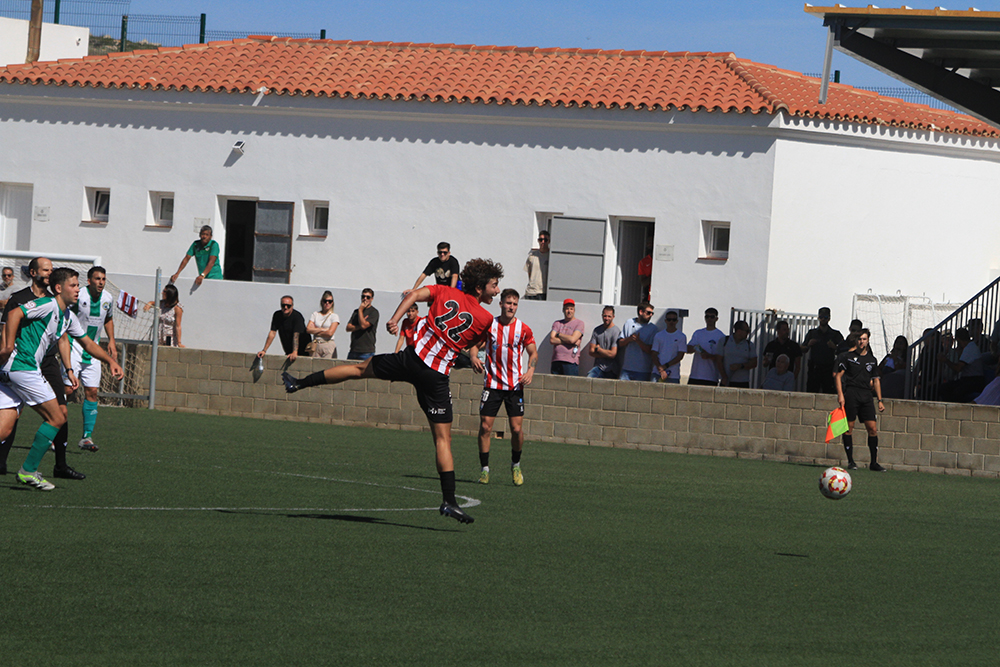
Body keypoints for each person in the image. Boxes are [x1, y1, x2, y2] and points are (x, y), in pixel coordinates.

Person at [281, 258, 505, 525]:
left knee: (358, 370)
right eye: (494, 285)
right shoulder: (486, 318)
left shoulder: (445, 291)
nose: (497, 291)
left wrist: (395, 319)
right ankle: (449, 501)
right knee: (443, 440)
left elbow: (414, 295)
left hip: (410, 359)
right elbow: (470, 344)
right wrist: (468, 355)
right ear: (479, 288)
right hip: (434, 376)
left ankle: (299, 383)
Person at [0, 267, 123, 490]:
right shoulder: (48, 304)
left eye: (78, 285)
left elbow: (88, 343)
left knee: (4, 429)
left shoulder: (68, 316)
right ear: (58, 288)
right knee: (57, 417)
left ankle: (30, 470)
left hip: (13, 370)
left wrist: (110, 361)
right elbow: (14, 313)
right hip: (22, 367)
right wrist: (8, 346)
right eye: (73, 285)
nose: (77, 290)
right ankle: (28, 471)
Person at [0, 258, 84, 479]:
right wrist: (6, 349)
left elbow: (63, 337)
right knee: (17, 417)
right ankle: (15, 466)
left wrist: (69, 368)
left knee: (61, 412)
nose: (49, 273)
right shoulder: (20, 299)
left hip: (46, 362)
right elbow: (7, 324)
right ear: (33, 272)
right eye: (45, 270)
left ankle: (60, 465)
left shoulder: (56, 301)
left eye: (51, 270)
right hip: (22, 362)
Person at [469, 288, 537, 486]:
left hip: (515, 386)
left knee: (516, 429)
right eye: (508, 303)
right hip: (492, 384)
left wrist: (530, 371)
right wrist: (473, 357)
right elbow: (474, 345)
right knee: (485, 426)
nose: (511, 307)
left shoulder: (523, 329)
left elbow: (533, 353)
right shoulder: (490, 325)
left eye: (514, 304)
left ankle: (516, 465)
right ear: (501, 304)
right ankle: (484, 470)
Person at [62, 266, 117, 451]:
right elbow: (65, 316)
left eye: (103, 279)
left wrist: (111, 340)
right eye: (97, 278)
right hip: (74, 347)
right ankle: (56, 433)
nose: (101, 282)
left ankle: (86, 437)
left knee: (92, 392)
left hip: (93, 350)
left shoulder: (108, 298)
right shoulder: (79, 296)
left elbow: (108, 319)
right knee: (67, 390)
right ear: (89, 280)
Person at [834, 328, 885, 471]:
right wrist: (840, 395)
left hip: (866, 396)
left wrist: (880, 400)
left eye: (864, 339)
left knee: (872, 429)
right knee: (849, 428)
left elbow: (876, 380)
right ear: (856, 341)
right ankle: (851, 461)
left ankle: (873, 462)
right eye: (860, 339)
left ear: (868, 340)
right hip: (852, 394)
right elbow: (838, 376)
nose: (862, 342)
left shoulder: (872, 360)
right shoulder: (848, 357)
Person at [802, 307, 843, 394]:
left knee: (828, 393)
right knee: (811, 392)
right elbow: (802, 349)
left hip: (828, 369)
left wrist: (835, 347)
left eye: (825, 317)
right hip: (814, 368)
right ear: (818, 318)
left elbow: (844, 351)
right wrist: (808, 345)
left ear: (829, 318)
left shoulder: (835, 334)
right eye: (821, 317)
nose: (823, 319)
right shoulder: (812, 333)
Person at [258, 296, 310, 362]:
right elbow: (272, 332)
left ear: (292, 306)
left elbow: (296, 335)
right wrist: (264, 350)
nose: (285, 307)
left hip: (303, 350)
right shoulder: (277, 315)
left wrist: (294, 352)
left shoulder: (297, 317)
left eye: (288, 306)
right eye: (283, 305)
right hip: (288, 350)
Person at [941, 327, 986, 403]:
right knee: (945, 387)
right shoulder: (969, 347)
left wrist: (946, 360)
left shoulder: (970, 348)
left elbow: (958, 368)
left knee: (955, 391)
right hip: (968, 379)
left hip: (974, 381)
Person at [618, 301, 657, 381]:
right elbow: (620, 343)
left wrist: (638, 341)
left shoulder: (653, 328)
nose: (650, 315)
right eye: (648, 313)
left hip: (643, 370)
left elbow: (650, 350)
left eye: (652, 313)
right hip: (627, 369)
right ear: (641, 312)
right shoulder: (629, 323)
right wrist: (629, 339)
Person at [687, 308, 726, 386]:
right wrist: (695, 348)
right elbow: (688, 349)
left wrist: (709, 356)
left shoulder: (721, 336)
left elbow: (722, 358)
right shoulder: (698, 333)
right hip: (695, 376)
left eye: (712, 317)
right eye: (707, 316)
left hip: (711, 377)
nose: (709, 319)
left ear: (716, 319)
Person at [549, 299, 584, 375]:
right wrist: (569, 341)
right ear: (563, 310)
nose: (569, 311)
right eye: (567, 308)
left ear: (574, 310)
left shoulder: (579, 323)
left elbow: (572, 340)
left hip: (571, 362)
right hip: (556, 360)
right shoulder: (557, 323)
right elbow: (552, 340)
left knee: (571, 382)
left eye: (571, 309)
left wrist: (559, 335)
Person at [652, 310, 686, 383]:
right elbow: (654, 353)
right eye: (669, 319)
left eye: (674, 320)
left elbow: (680, 355)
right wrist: (660, 368)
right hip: (657, 373)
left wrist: (665, 366)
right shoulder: (659, 335)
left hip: (673, 375)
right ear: (665, 321)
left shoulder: (681, 336)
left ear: (677, 321)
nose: (671, 322)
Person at [587, 306, 620, 379]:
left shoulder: (616, 331)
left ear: (613, 317)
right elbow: (591, 351)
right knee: (589, 380)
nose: (606, 318)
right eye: (605, 316)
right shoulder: (597, 330)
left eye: (609, 316)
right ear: (602, 316)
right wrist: (606, 354)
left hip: (612, 370)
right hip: (598, 367)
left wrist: (599, 350)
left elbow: (612, 354)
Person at [346, 288, 379, 361]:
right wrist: (360, 326)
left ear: (372, 299)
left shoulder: (374, 312)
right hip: (354, 350)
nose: (365, 299)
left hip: (366, 352)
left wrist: (361, 310)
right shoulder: (356, 312)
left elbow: (364, 326)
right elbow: (348, 328)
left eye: (368, 297)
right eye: (363, 296)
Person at [722, 320, 757, 388]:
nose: (748, 333)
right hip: (726, 381)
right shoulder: (724, 341)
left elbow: (754, 363)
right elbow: (718, 360)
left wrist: (741, 366)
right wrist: (724, 376)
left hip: (743, 382)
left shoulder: (749, 345)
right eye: (747, 331)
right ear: (739, 331)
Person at [307, 291, 340, 359]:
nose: (327, 303)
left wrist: (315, 331)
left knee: (327, 365)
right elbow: (308, 329)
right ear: (322, 302)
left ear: (332, 303)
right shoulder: (315, 314)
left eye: (329, 301)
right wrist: (323, 329)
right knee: (315, 365)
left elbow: (330, 333)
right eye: (325, 301)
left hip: (328, 344)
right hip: (316, 344)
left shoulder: (334, 316)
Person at [524, 229, 550, 300]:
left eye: (545, 240)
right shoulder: (532, 256)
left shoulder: (550, 256)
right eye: (541, 240)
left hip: (543, 292)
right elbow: (529, 273)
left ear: (549, 241)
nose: (543, 242)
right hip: (530, 292)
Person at [637, 236, 653, 303]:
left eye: (651, 242)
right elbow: (643, 282)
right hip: (648, 297)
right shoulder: (643, 262)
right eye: (647, 243)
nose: (649, 244)